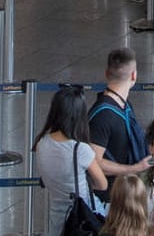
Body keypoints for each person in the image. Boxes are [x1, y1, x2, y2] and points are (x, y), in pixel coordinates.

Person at [35, 84, 110, 236]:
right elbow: (103, 184)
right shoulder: (80, 150)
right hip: (83, 217)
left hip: (56, 215)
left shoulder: (41, 143)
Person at [89, 48, 152, 186]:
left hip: (124, 191)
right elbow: (93, 162)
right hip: (109, 199)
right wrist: (134, 169)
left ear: (106, 73)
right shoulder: (103, 114)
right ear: (134, 76)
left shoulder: (123, 106)